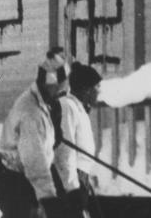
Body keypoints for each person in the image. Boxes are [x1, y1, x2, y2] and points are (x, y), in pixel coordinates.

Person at [0, 51, 67, 218]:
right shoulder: (31, 112)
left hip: (22, 181)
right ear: (50, 84)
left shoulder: (41, 102)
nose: (60, 94)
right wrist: (49, 198)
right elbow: (34, 159)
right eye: (59, 88)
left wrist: (54, 130)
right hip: (17, 185)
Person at [54, 62, 102, 218]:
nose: (99, 91)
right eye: (97, 87)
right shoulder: (68, 107)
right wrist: (72, 186)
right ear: (86, 89)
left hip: (80, 177)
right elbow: (64, 149)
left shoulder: (79, 108)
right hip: (70, 180)